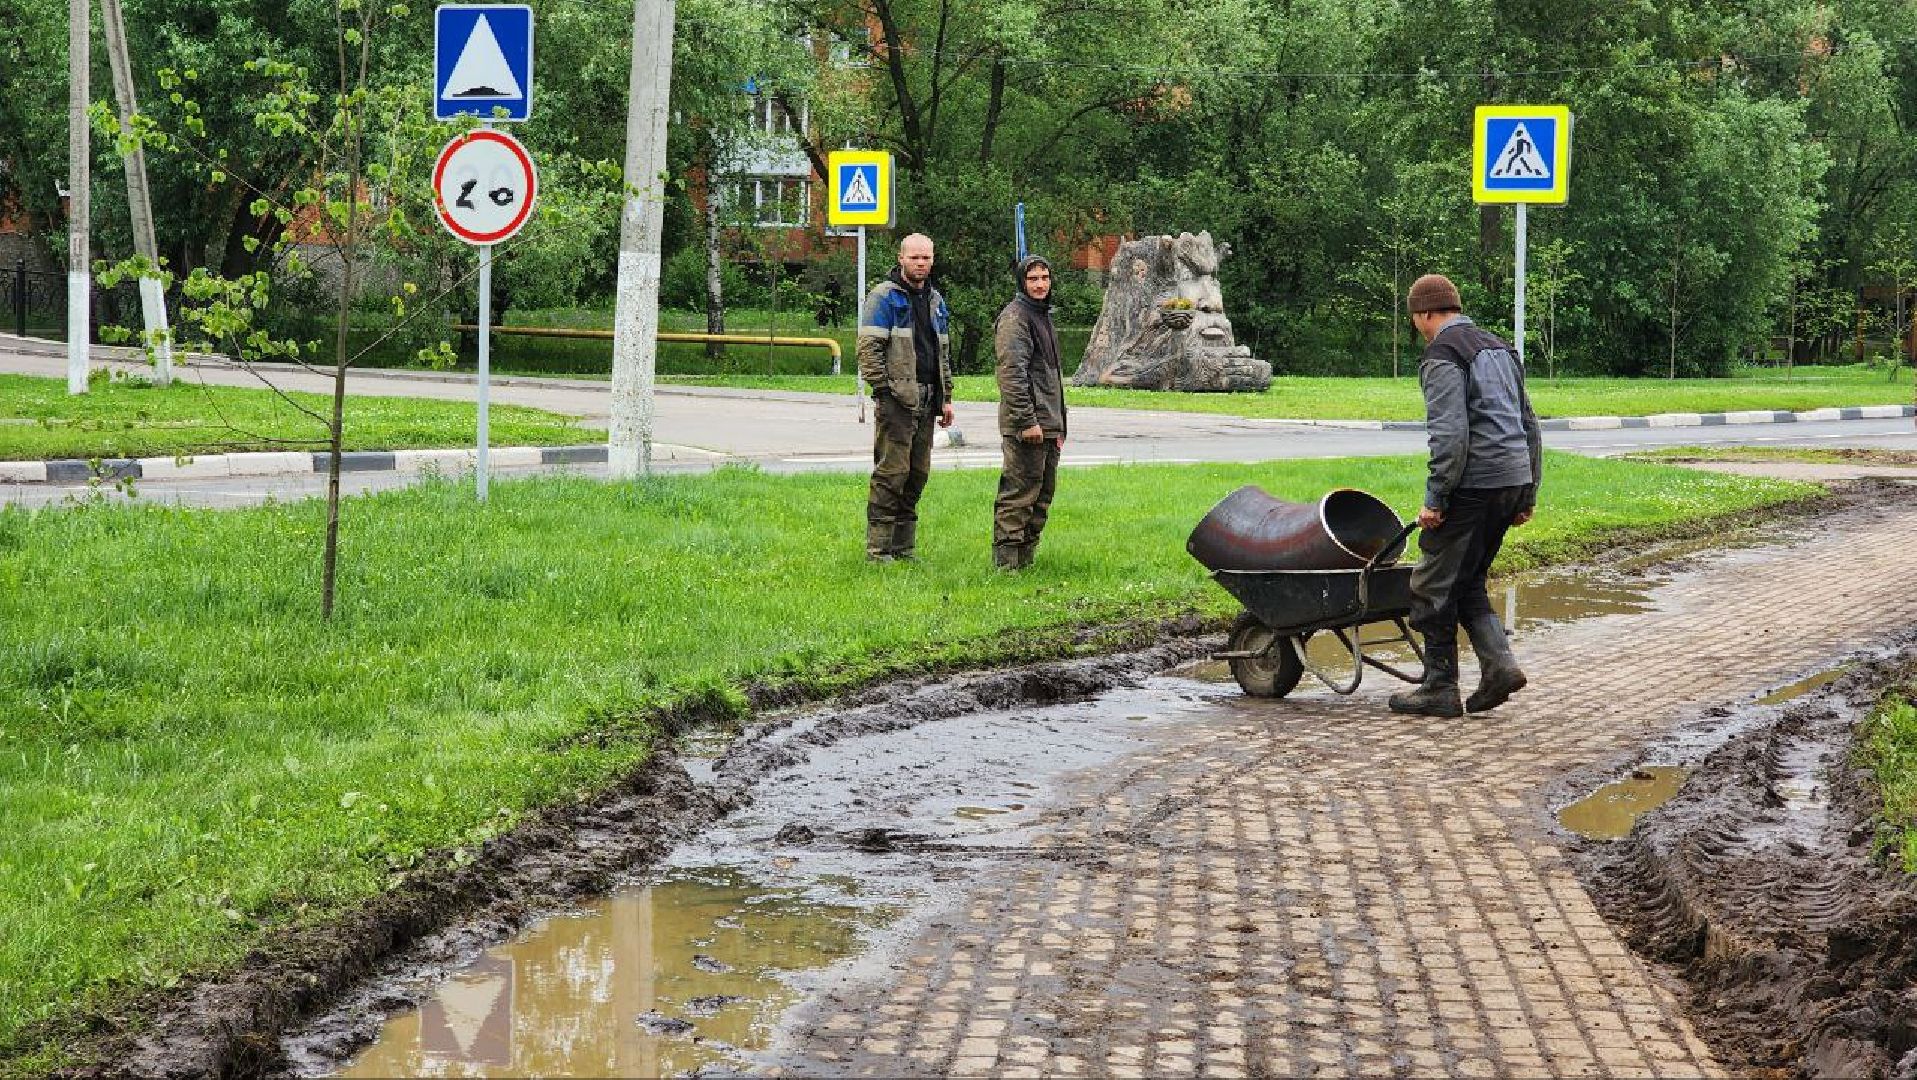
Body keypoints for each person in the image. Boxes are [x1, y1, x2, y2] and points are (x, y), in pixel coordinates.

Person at [1389, 273, 1543, 719]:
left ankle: (1439, 688)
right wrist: (1527, 491)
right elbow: (1529, 423)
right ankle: (1499, 668)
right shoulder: (1499, 346)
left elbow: (1450, 436)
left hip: (1476, 483)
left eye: (1415, 317)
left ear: (1424, 315)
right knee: (1468, 577)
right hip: (1511, 478)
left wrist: (1435, 499)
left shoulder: (1443, 354)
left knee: (1430, 585)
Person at [858, 233, 954, 561]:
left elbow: (943, 354)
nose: (921, 263)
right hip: (896, 400)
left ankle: (903, 548)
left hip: (927, 400)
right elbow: (868, 350)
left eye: (926, 258)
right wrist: (884, 391)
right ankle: (878, 550)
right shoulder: (884, 297)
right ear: (901, 258)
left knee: (917, 475)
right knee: (891, 474)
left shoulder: (936, 300)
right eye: (914, 257)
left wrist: (946, 398)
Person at [992, 255, 1067, 571]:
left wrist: (1060, 425)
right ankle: (1006, 566)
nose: (1040, 284)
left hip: (1049, 424)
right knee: (1019, 496)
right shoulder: (1016, 318)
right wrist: (1026, 421)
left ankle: (1025, 561)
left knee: (1042, 497)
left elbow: (1052, 377)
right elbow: (1012, 374)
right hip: (1027, 425)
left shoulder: (1043, 316)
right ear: (1022, 282)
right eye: (1033, 278)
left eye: (1045, 278)